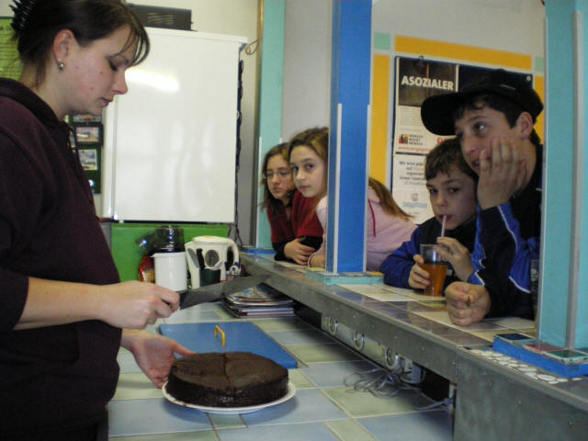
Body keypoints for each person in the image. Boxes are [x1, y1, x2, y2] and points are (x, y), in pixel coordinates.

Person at [0, 1, 193, 439]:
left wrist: (125, 337)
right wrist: (104, 302)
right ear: (64, 46)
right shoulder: (9, 133)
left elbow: (45, 273)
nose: (121, 85)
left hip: (65, 408)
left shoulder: (48, 134)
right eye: (114, 65)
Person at [420, 68, 543, 325]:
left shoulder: (568, 190)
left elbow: (537, 299)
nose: (468, 147)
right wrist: (477, 296)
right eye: (461, 134)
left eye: (480, 127)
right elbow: (495, 286)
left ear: (523, 125)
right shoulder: (489, 188)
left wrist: (495, 207)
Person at [288, 127, 416, 271]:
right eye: (295, 168)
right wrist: (315, 260)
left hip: (412, 267)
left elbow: (338, 264)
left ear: (335, 163)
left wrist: (317, 260)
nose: (299, 176)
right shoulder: (357, 189)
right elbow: (326, 256)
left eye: (309, 166)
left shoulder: (334, 203)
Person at [380, 138, 477, 291]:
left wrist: (471, 274)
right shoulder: (428, 231)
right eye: (433, 191)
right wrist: (409, 273)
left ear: (480, 187)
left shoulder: (492, 236)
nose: (439, 202)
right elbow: (390, 263)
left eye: (453, 190)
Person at [260, 143, 323, 265]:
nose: (274, 181)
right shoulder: (275, 205)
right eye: (269, 174)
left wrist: (283, 252)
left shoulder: (307, 197)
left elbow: (308, 248)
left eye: (283, 173)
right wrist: (285, 250)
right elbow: (277, 245)